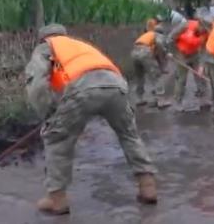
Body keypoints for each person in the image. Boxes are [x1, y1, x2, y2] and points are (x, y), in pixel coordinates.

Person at [24, 24, 158, 215]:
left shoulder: (46, 47)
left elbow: (37, 85)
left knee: (57, 139)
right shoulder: (79, 45)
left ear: (42, 39)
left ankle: (57, 199)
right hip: (116, 85)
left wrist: (47, 113)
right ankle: (148, 186)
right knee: (129, 135)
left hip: (83, 88)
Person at [168, 16, 209, 107]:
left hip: (195, 54)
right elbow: (170, 38)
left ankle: (204, 98)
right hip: (181, 54)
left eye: (206, 30)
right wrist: (172, 52)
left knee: (201, 75)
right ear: (200, 24)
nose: (204, 32)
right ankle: (177, 101)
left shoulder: (205, 33)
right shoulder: (185, 26)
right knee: (181, 79)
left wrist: (202, 65)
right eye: (203, 29)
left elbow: (204, 50)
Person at [131, 24, 167, 105]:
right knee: (156, 75)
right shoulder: (157, 35)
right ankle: (161, 100)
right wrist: (163, 53)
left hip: (134, 52)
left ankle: (139, 99)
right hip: (144, 52)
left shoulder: (146, 35)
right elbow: (159, 44)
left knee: (140, 77)